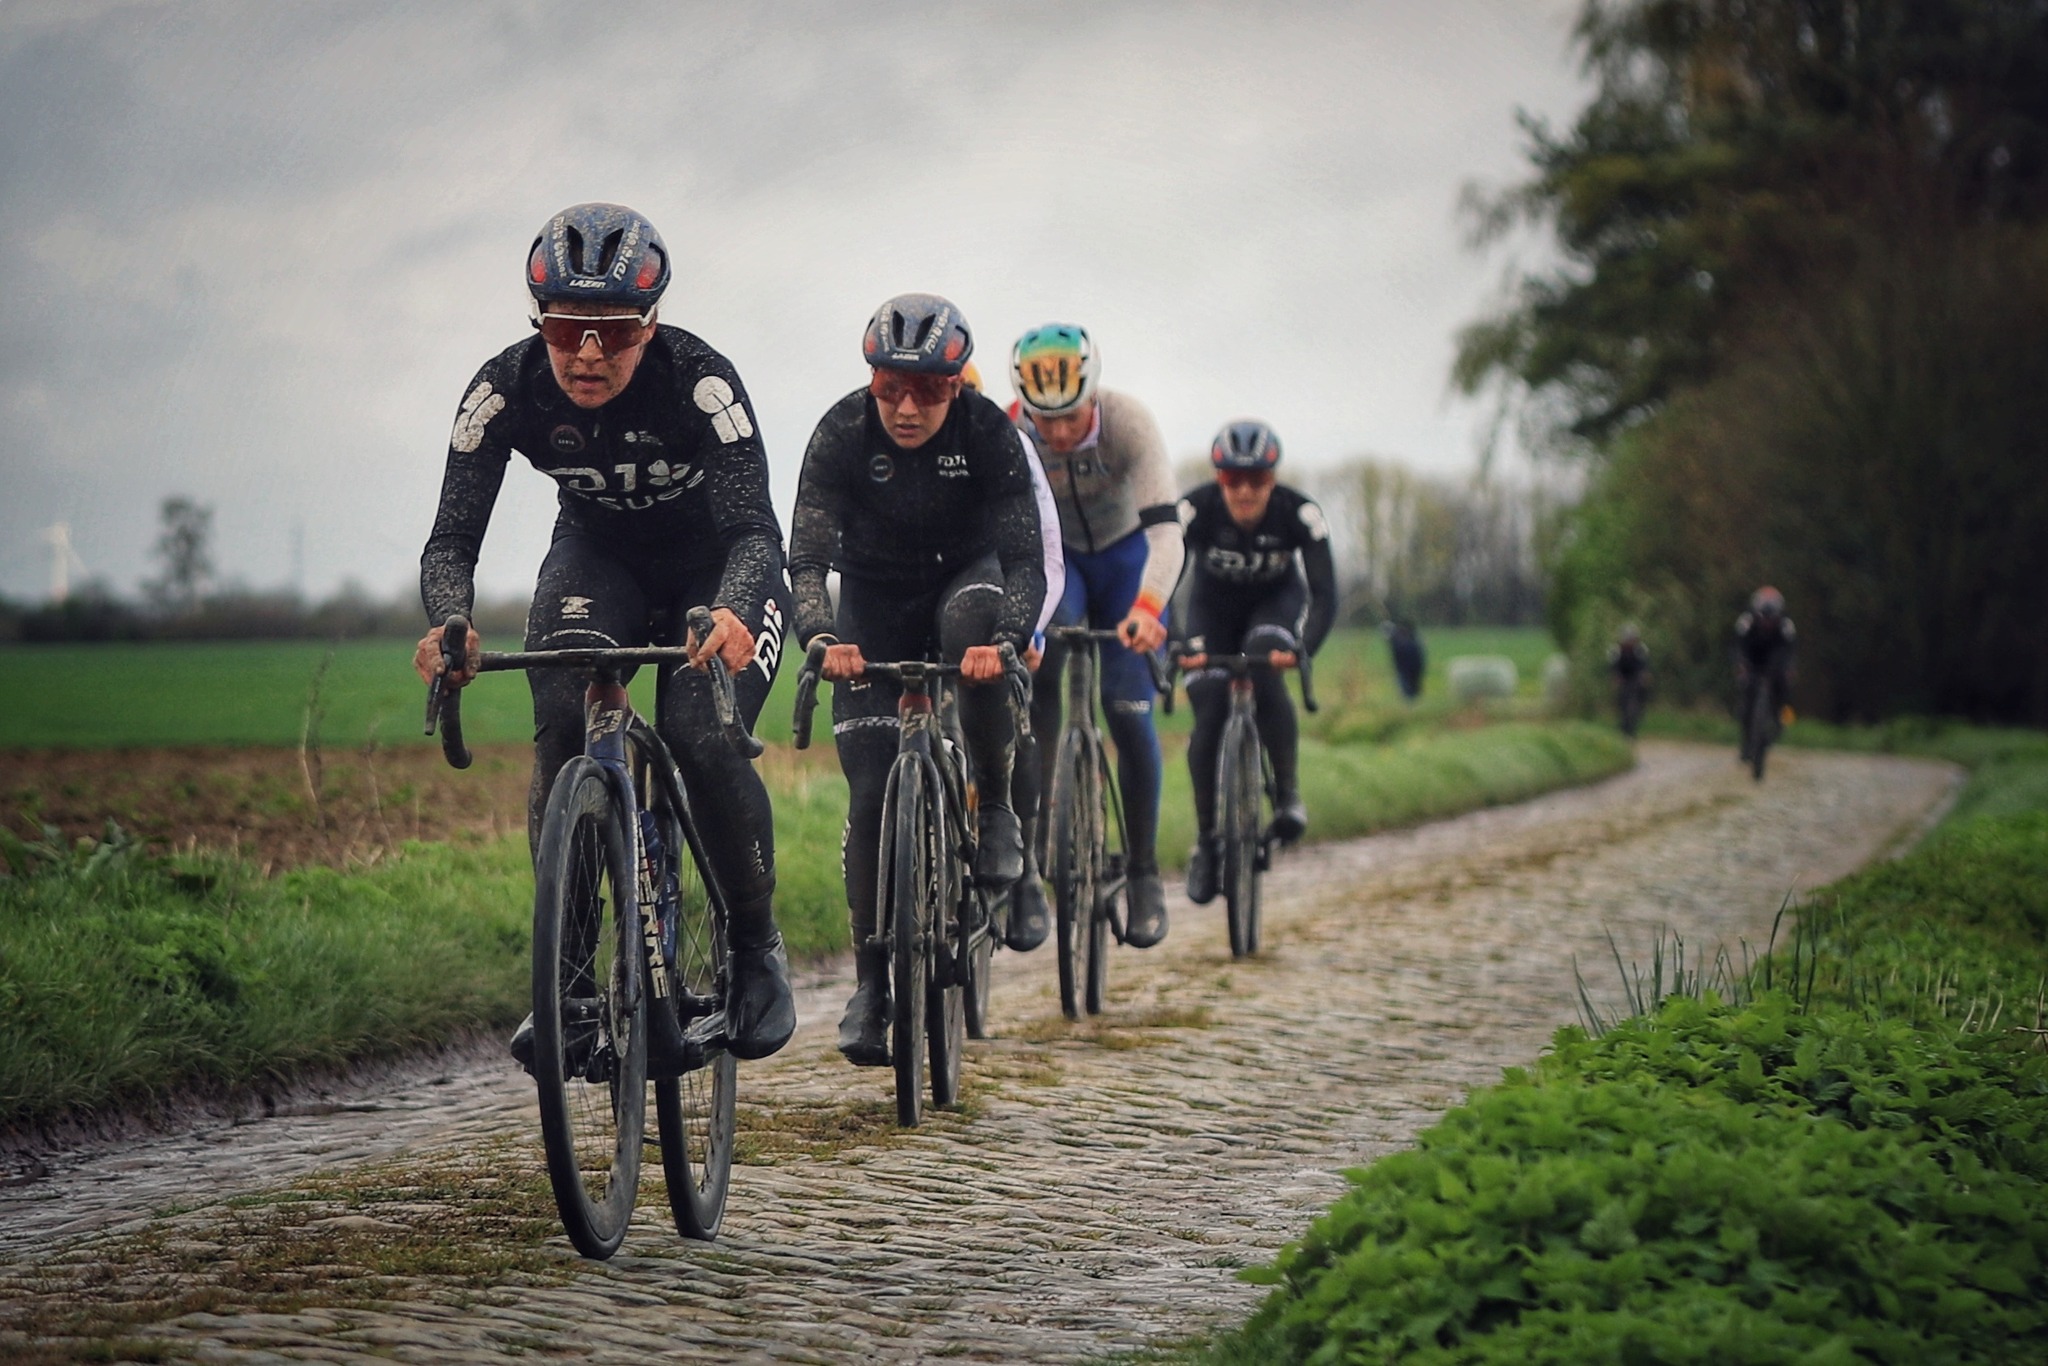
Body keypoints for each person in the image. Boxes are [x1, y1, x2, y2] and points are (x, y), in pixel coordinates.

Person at [414, 202, 796, 1064]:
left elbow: (753, 532)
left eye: (615, 332)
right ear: (537, 320)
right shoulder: (502, 388)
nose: (588, 354)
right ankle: (572, 983)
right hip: (599, 559)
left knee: (702, 734)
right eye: (564, 328)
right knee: (559, 724)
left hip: (715, 568)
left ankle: (754, 950)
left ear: (650, 326)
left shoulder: (702, 382)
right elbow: (450, 541)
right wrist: (451, 619)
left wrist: (736, 606)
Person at [788, 293, 1048, 1066]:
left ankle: (996, 809)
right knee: (870, 793)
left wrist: (1006, 642)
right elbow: (805, 559)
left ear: (957, 385)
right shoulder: (841, 431)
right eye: (889, 387)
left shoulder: (990, 434)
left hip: (964, 582)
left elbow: (1027, 559)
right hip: (871, 595)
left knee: (976, 626)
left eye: (927, 390)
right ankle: (871, 986)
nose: (905, 406)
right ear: (870, 382)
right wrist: (821, 634)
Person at [1010, 323, 1182, 949]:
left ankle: (1142, 873)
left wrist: (1150, 604)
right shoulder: (1012, 429)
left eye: (1071, 417)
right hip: (1062, 567)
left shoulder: (1129, 422)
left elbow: (1167, 530)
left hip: (1125, 562)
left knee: (1128, 710)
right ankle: (1030, 858)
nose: (1056, 434)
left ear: (1094, 394)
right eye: (1043, 420)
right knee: (1040, 674)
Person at [1176, 420, 1337, 908]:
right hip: (1213, 611)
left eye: (1258, 481)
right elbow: (1160, 578)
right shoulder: (1194, 510)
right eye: (1232, 480)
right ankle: (1207, 842)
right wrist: (1180, 642)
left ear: (1273, 479)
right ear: (1218, 479)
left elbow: (1327, 593)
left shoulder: (1300, 512)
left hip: (1274, 607)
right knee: (1207, 705)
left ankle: (1286, 793)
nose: (1245, 492)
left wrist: (1303, 646)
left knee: (1266, 664)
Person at [1734, 587, 1796, 758]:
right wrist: (1741, 665)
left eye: (1771, 618)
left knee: (1785, 688)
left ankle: (1781, 719)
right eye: (1764, 617)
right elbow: (1739, 647)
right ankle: (1746, 739)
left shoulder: (1786, 626)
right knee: (1745, 692)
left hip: (1775, 664)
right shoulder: (1746, 622)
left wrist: (1788, 669)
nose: (1767, 622)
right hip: (1752, 661)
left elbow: (1790, 652)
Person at [1609, 623, 1651, 737]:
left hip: (1635, 678)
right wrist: (1616, 677)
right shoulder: (1617, 650)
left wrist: (1644, 676)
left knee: (1638, 699)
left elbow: (1644, 666)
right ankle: (1624, 726)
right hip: (1623, 678)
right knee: (1622, 701)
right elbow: (1614, 666)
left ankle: (1634, 725)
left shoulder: (1640, 649)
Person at [1385, 619, 1425, 701]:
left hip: (1408, 666)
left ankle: (1411, 700)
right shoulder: (1411, 638)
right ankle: (1410, 700)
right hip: (1407, 666)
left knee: (1410, 684)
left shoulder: (1401, 639)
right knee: (1408, 684)